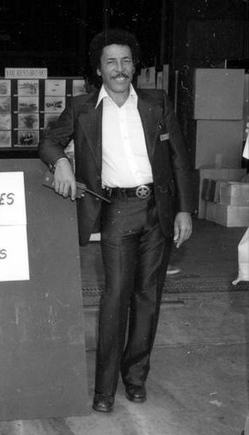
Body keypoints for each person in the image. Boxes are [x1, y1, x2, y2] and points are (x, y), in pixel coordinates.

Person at [38, 28, 196, 413]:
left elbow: (178, 158)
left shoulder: (157, 103)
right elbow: (47, 141)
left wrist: (184, 209)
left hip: (157, 210)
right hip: (117, 212)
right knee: (115, 298)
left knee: (148, 299)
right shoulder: (82, 108)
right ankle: (104, 388)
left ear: (134, 65)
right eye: (111, 62)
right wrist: (60, 162)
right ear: (98, 70)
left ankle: (135, 378)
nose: (119, 68)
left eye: (126, 60)